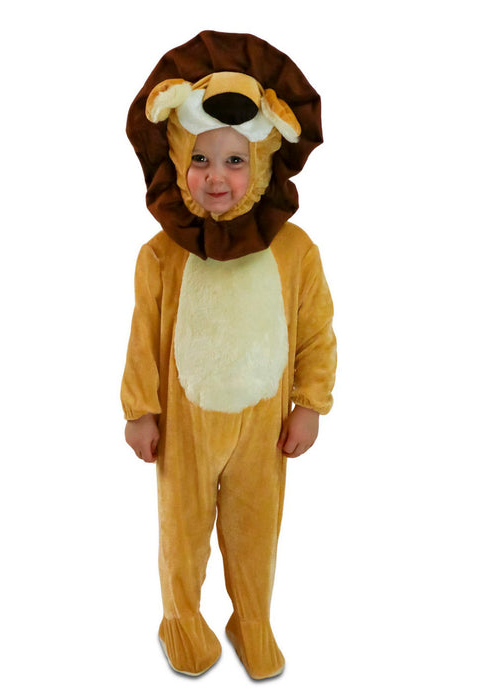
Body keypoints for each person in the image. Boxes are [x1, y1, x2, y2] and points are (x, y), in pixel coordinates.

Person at [121, 31, 337, 680]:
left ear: (264, 160)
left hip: (263, 426)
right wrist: (140, 409)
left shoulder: (294, 250)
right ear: (177, 157)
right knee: (181, 532)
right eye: (201, 159)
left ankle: (253, 620)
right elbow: (142, 334)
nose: (216, 177)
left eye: (236, 160)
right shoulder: (161, 254)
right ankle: (181, 621)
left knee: (255, 530)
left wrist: (310, 404)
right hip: (184, 426)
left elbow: (316, 331)